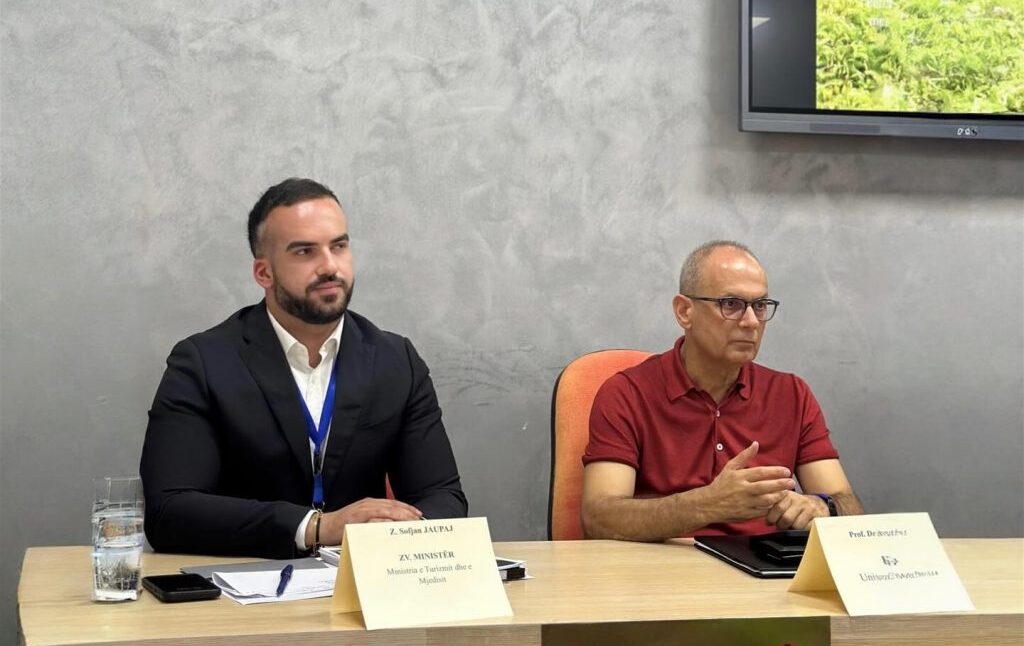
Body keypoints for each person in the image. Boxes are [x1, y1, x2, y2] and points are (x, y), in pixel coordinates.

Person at [141, 178, 467, 558]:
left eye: (339, 246)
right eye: (304, 252)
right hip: (244, 579)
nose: (329, 266)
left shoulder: (397, 360)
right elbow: (169, 511)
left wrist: (395, 535)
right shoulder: (203, 362)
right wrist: (316, 527)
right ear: (264, 273)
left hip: (361, 579)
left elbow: (443, 497)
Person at [581, 241, 862, 541]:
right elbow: (599, 518)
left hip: (762, 566)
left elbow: (850, 508)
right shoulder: (626, 394)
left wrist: (823, 508)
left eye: (760, 306)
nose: (751, 322)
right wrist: (707, 505)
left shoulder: (792, 395)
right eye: (731, 304)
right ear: (684, 311)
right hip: (663, 567)